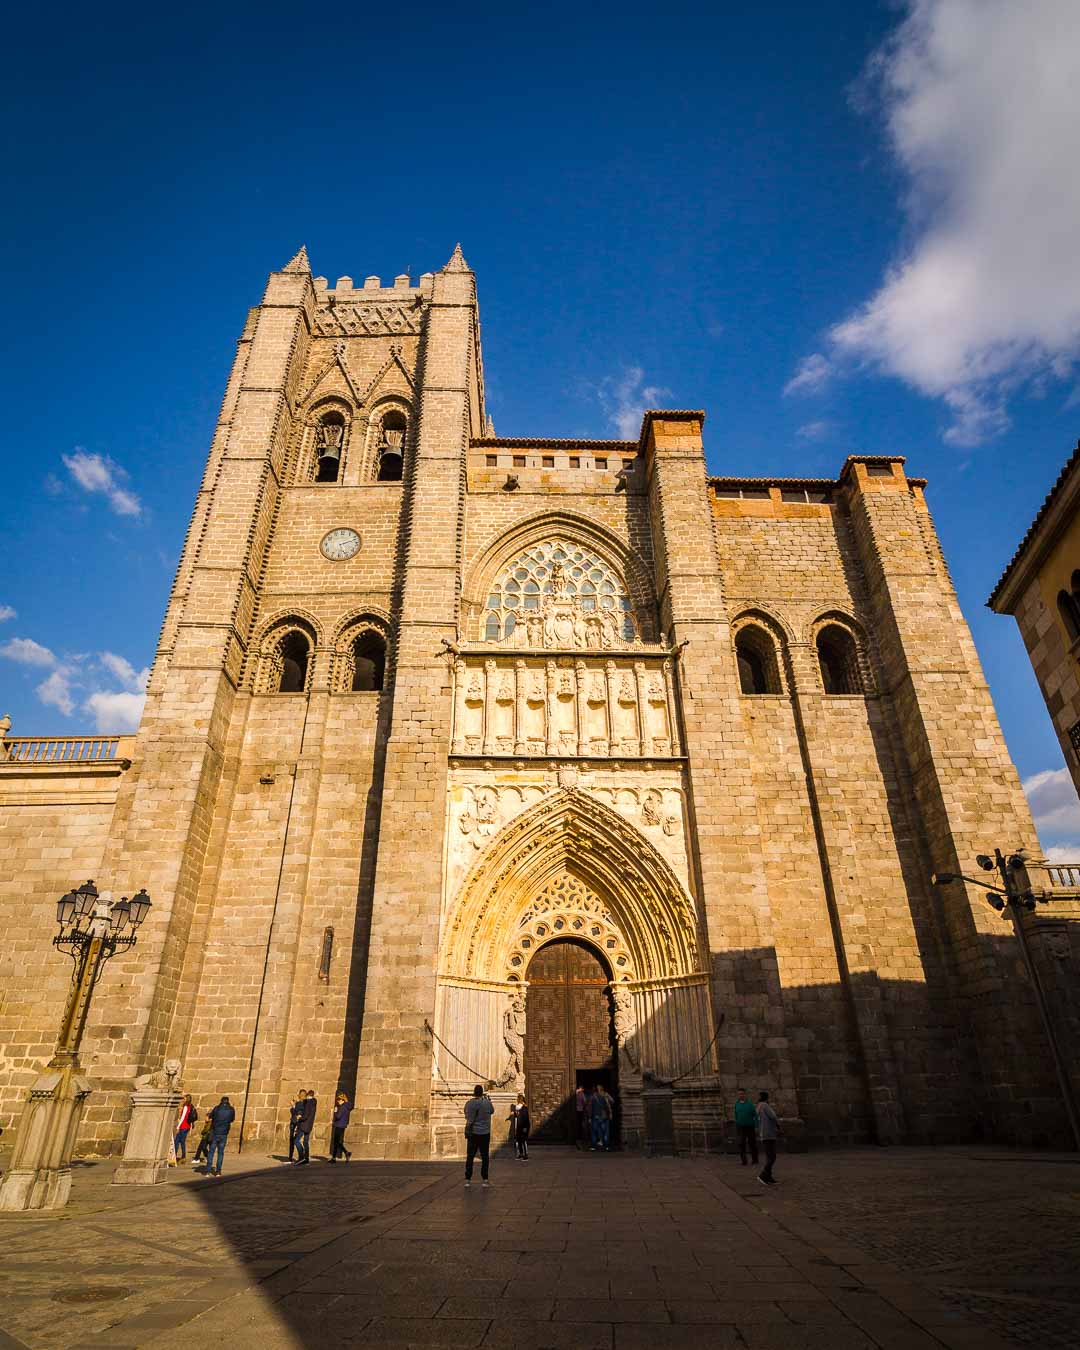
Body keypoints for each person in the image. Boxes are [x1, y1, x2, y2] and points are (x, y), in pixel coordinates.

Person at [463, 1083, 495, 1187]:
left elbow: (466, 1114)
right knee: (485, 1156)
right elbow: (492, 1111)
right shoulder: (487, 1103)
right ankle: (485, 1180)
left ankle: (468, 1180)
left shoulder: (469, 1103)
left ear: (474, 1092)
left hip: (473, 1133)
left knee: (470, 1156)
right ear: (482, 1093)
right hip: (485, 1133)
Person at [206, 1096, 235, 1178]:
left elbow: (210, 1116)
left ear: (221, 1101)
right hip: (224, 1133)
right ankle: (218, 1171)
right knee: (220, 1153)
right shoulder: (231, 1109)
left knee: (211, 1151)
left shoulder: (216, 1108)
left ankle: (208, 1171)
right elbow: (232, 1119)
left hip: (215, 1132)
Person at [757, 1091, 780, 1187]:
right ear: (767, 1098)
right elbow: (773, 1116)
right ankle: (763, 1175)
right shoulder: (765, 1105)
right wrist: (778, 1125)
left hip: (763, 1133)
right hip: (769, 1133)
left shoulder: (758, 1106)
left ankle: (769, 1177)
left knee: (769, 1156)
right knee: (772, 1157)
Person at [734, 1088, 759, 1166]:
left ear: (745, 1094)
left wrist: (756, 1126)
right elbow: (736, 1114)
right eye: (739, 1094)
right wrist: (737, 1122)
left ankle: (755, 1159)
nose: (741, 1095)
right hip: (740, 1127)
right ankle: (744, 1160)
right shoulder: (736, 1104)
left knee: (752, 1143)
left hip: (750, 1126)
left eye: (742, 1094)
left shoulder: (750, 1104)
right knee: (741, 1143)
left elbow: (755, 1115)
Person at [294, 1087, 316, 1164]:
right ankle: (306, 1159)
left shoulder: (308, 1103)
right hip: (309, 1125)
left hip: (304, 1125)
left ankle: (301, 1157)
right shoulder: (313, 1103)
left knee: (296, 1141)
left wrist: (300, 1118)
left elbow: (306, 1115)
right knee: (306, 1142)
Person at [173, 1094, 197, 1164]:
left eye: (184, 1098)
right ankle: (183, 1157)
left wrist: (178, 1127)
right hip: (187, 1126)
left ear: (187, 1099)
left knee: (176, 1141)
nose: (183, 1100)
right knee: (182, 1142)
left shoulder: (186, 1107)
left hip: (183, 1126)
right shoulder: (191, 1106)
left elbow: (183, 1117)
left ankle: (174, 1157)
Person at [330, 1092, 352, 1162]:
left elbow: (338, 1116)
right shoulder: (347, 1106)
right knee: (337, 1142)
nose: (338, 1101)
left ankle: (346, 1152)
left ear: (343, 1100)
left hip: (339, 1125)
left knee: (337, 1142)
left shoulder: (342, 1107)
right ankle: (334, 1158)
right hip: (342, 1125)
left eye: (339, 1100)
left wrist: (335, 1111)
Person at [591, 1083, 613, 1151]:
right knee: (605, 1131)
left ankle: (594, 1146)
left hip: (596, 1116)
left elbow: (590, 1106)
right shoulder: (605, 1094)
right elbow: (612, 1101)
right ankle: (606, 1146)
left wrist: (589, 1116)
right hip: (604, 1115)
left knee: (595, 1131)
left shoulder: (594, 1095)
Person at [288, 1091, 306, 1162]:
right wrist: (293, 1106)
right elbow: (293, 1112)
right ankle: (290, 1157)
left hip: (297, 1124)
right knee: (292, 1140)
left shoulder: (303, 1104)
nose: (299, 1096)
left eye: (301, 1095)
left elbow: (298, 1112)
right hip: (293, 1122)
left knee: (296, 1140)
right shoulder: (298, 1103)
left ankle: (301, 1156)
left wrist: (293, 1106)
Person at [513, 1093, 530, 1161]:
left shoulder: (524, 1108)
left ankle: (526, 1155)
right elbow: (517, 1116)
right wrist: (514, 1114)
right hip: (519, 1126)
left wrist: (525, 1127)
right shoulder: (518, 1108)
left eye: (517, 1099)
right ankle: (521, 1154)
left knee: (524, 1141)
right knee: (519, 1141)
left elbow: (526, 1118)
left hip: (523, 1126)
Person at [575, 1084, 588, 1149]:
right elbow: (585, 1102)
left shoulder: (576, 1093)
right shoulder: (581, 1094)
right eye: (582, 1089)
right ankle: (580, 1137)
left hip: (575, 1110)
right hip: (580, 1110)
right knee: (580, 1124)